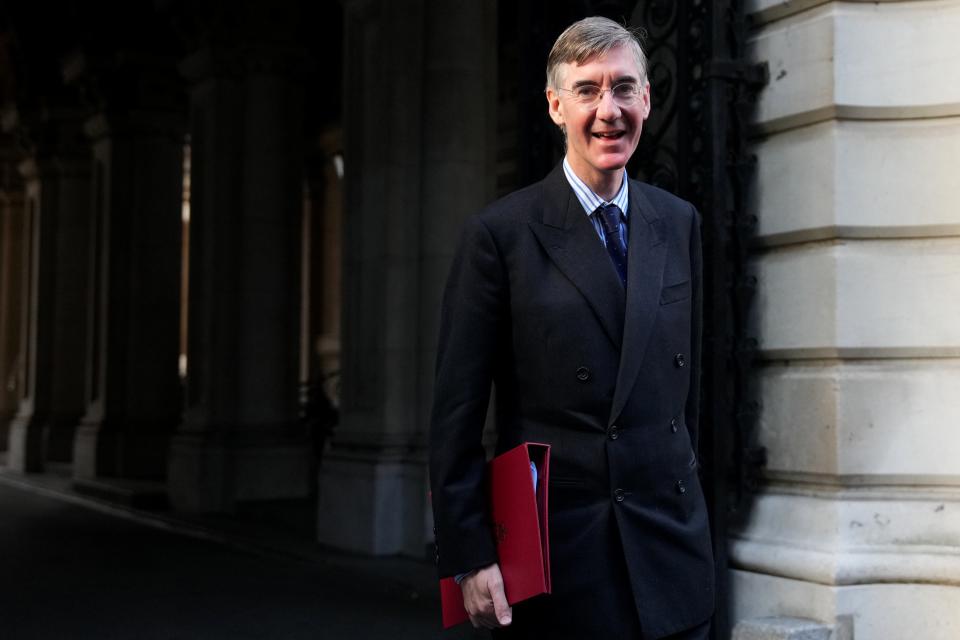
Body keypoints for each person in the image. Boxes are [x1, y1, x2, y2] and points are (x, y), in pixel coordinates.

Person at [429, 16, 714, 639]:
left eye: (623, 88)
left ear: (647, 98)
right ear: (557, 106)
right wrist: (471, 555)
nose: (607, 110)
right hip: (562, 560)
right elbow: (456, 416)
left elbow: (688, 395)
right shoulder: (500, 235)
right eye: (587, 90)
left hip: (672, 551)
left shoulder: (679, 221)